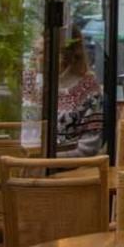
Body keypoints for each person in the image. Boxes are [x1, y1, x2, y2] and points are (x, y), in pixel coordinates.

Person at [54, 25, 103, 157]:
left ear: (65, 55)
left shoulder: (88, 89)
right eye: (35, 52)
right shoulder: (32, 84)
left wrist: (46, 160)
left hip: (68, 169)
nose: (35, 58)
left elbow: (89, 147)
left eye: (41, 52)